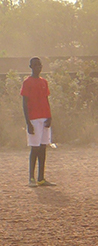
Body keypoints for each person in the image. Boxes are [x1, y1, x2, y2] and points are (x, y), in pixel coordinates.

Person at [20, 57, 53, 187]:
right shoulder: (27, 82)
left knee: (43, 147)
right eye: (35, 65)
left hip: (44, 118)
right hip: (34, 119)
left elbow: (46, 100)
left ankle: (41, 178)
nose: (38, 67)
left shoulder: (44, 82)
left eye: (39, 65)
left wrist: (50, 116)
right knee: (35, 148)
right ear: (30, 67)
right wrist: (28, 123)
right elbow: (24, 103)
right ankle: (31, 178)